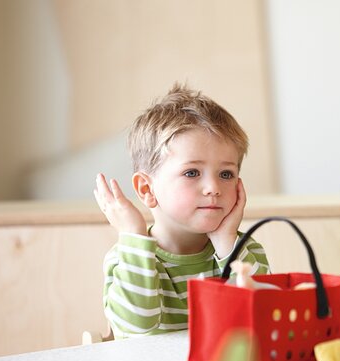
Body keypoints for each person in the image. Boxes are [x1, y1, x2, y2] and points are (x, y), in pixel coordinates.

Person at [94, 83, 269, 338]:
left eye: (226, 174)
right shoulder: (127, 256)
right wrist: (133, 233)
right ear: (146, 189)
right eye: (191, 173)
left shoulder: (244, 251)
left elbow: (262, 319)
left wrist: (227, 245)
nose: (213, 187)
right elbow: (136, 327)